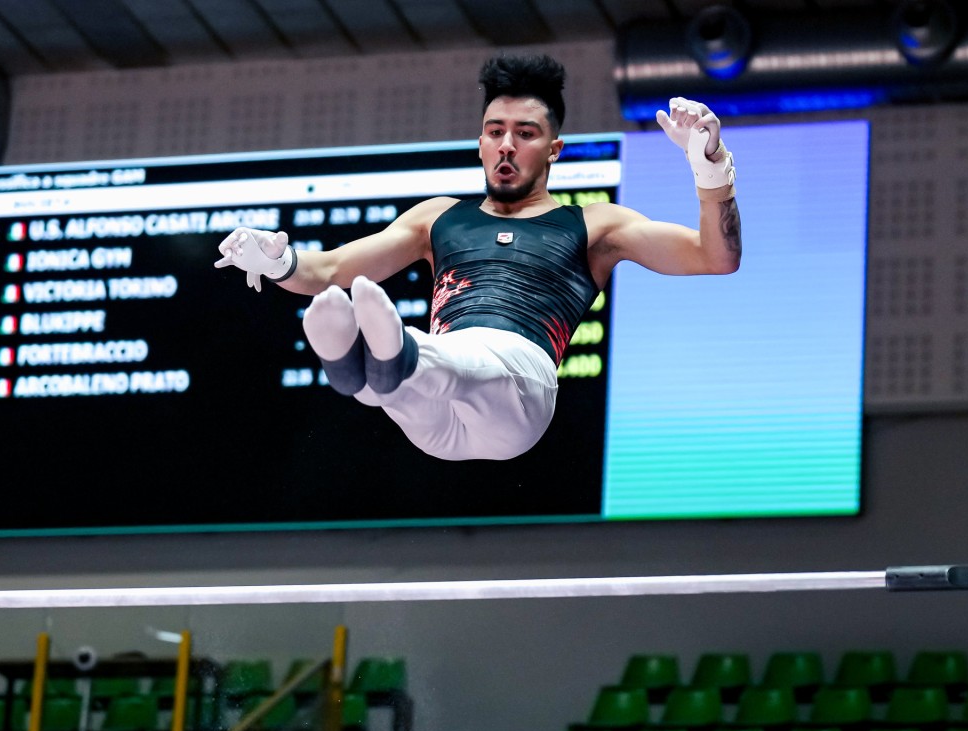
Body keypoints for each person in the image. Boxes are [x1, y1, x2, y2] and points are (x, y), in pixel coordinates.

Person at [215, 54, 741, 461]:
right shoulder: (437, 218)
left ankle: (395, 353)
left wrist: (711, 166)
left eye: (525, 133)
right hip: (436, 416)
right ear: (481, 143)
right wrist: (275, 261)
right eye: (495, 132)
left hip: (519, 392)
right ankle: (371, 370)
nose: (507, 144)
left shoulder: (596, 224)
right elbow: (330, 271)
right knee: (402, 388)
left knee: (450, 361)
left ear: (554, 150)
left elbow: (715, 257)